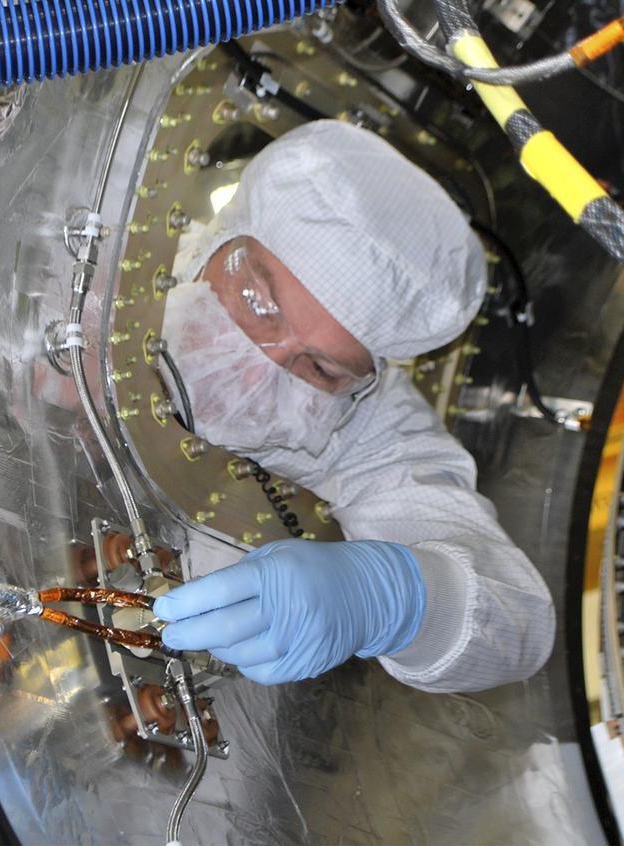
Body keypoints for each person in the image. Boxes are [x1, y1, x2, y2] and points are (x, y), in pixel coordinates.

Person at [153, 120, 554, 694]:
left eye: (318, 367)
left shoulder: (364, 422)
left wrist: (393, 598)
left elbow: (519, 622)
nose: (260, 361)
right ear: (228, 231)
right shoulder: (109, 252)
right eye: (258, 302)